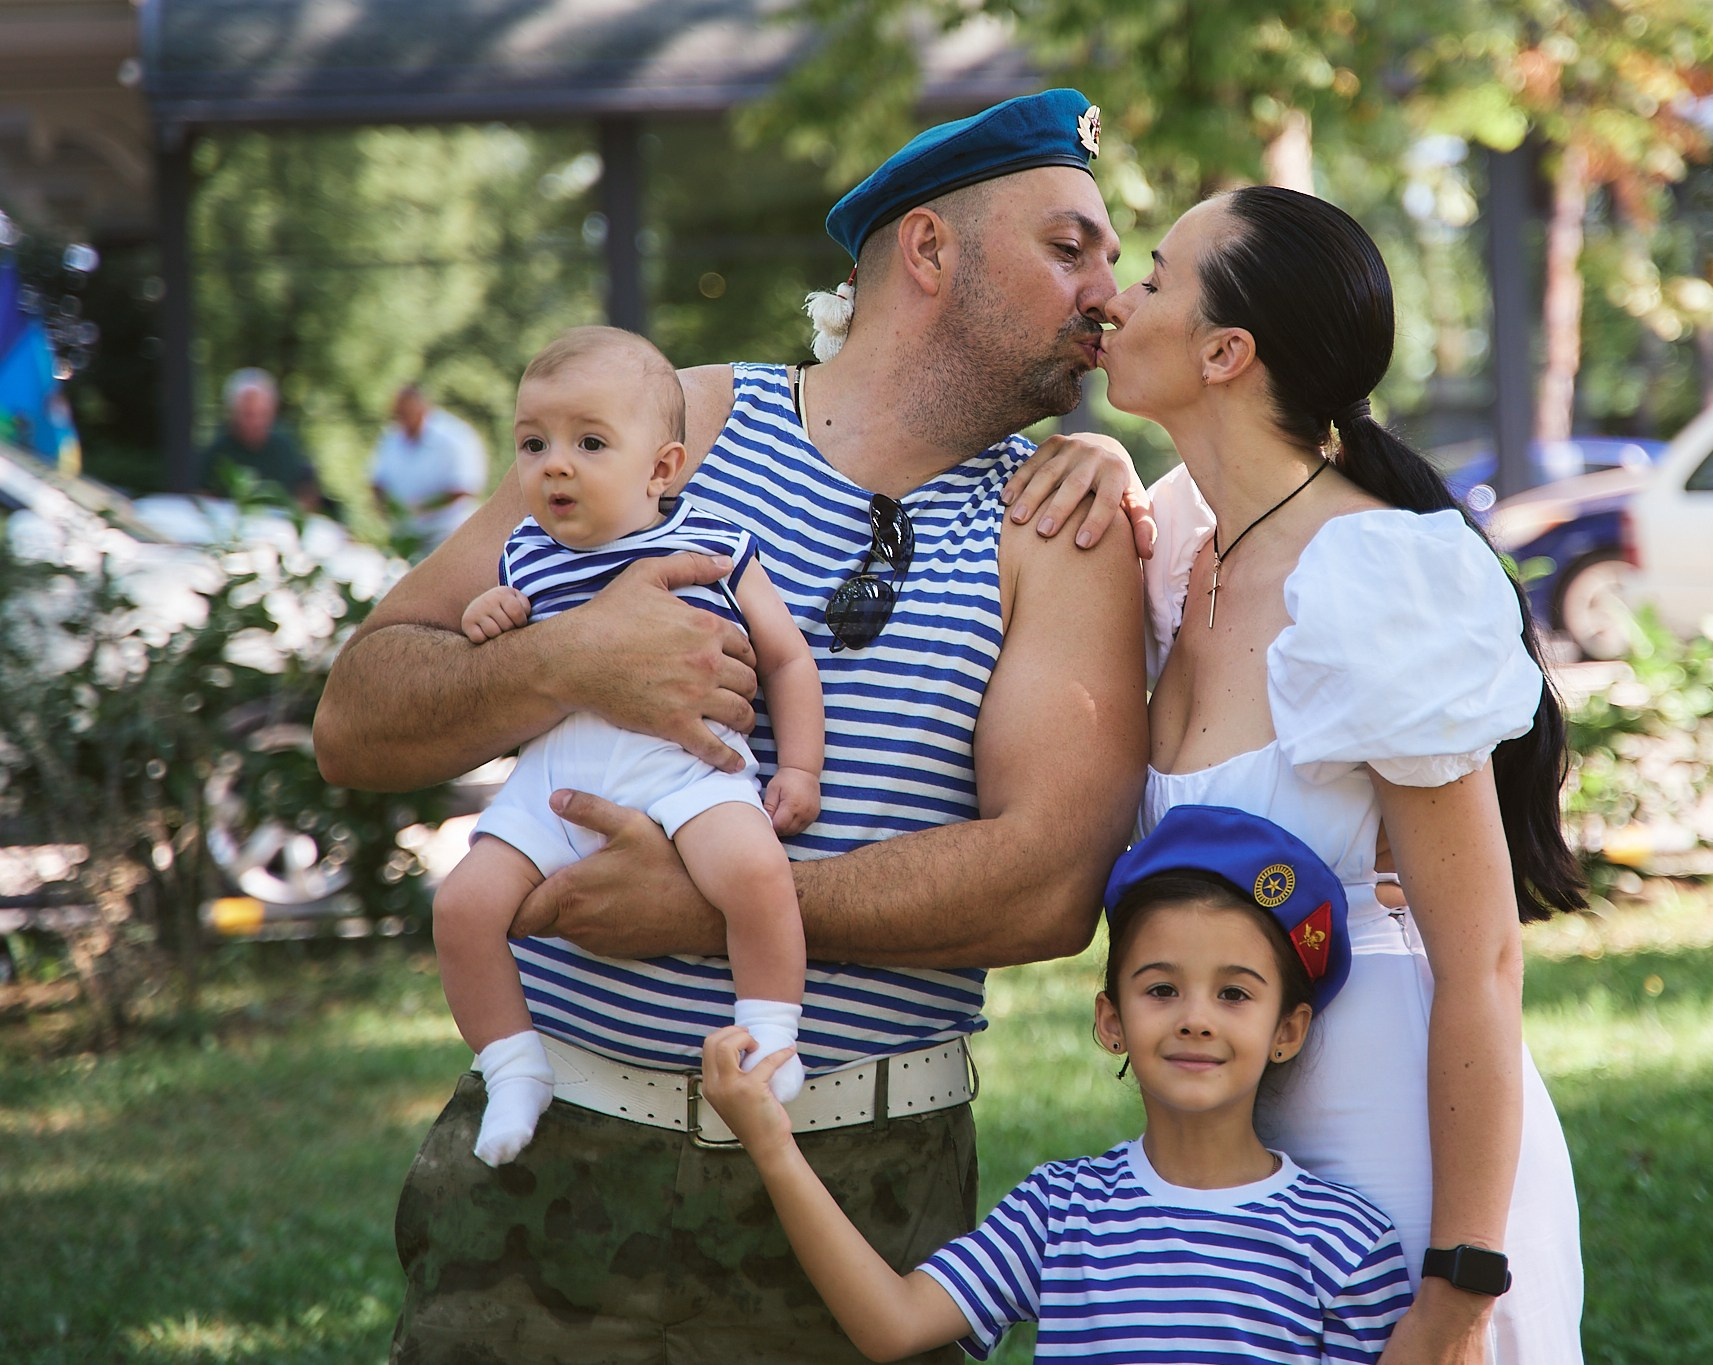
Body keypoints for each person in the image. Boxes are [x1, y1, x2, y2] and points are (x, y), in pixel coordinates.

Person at [310, 88, 1148, 1363]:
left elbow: (1044, 888)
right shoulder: (671, 423)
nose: (1109, 295)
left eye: (1114, 257)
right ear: (928, 252)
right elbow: (357, 719)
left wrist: (710, 912)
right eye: (1067, 247)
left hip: (858, 1187)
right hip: (552, 1177)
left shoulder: (1059, 524)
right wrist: (571, 657)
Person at [1096, 186, 1588, 1365]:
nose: (1116, 298)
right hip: (1236, 1152)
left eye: (1154, 276)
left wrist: (1459, 1286)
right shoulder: (1175, 545)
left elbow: (1479, 958)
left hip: (1405, 1144)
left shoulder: (1367, 575)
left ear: (1225, 351)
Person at [701, 803, 1411, 1364]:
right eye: (1161, 988)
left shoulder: (1344, 1243)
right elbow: (893, 1321)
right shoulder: (1061, 1208)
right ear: (1111, 1019)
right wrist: (771, 1142)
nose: (1196, 1019)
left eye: (1234, 994)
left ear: (1289, 1028)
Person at [437, 326, 824, 1169]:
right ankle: (512, 1064)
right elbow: (500, 659)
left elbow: (789, 654)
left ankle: (770, 1030)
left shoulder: (712, 542)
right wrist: (487, 620)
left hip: (687, 768)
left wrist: (799, 765)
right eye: (533, 443)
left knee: (757, 875)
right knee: (462, 907)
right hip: (556, 777)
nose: (554, 465)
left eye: (589, 442)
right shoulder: (524, 554)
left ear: (662, 467)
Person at [370, 383, 489, 555]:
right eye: (397, 414)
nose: (400, 419)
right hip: (406, 538)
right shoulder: (392, 437)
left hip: (450, 535)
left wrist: (423, 507)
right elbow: (377, 481)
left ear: (422, 407)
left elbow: (466, 487)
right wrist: (388, 508)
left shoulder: (455, 437)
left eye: (405, 413)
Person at [200, 367, 325, 513]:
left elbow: (307, 496)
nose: (255, 422)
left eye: (262, 413)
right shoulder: (217, 451)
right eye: (248, 414)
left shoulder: (286, 447)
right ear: (232, 412)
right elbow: (203, 499)